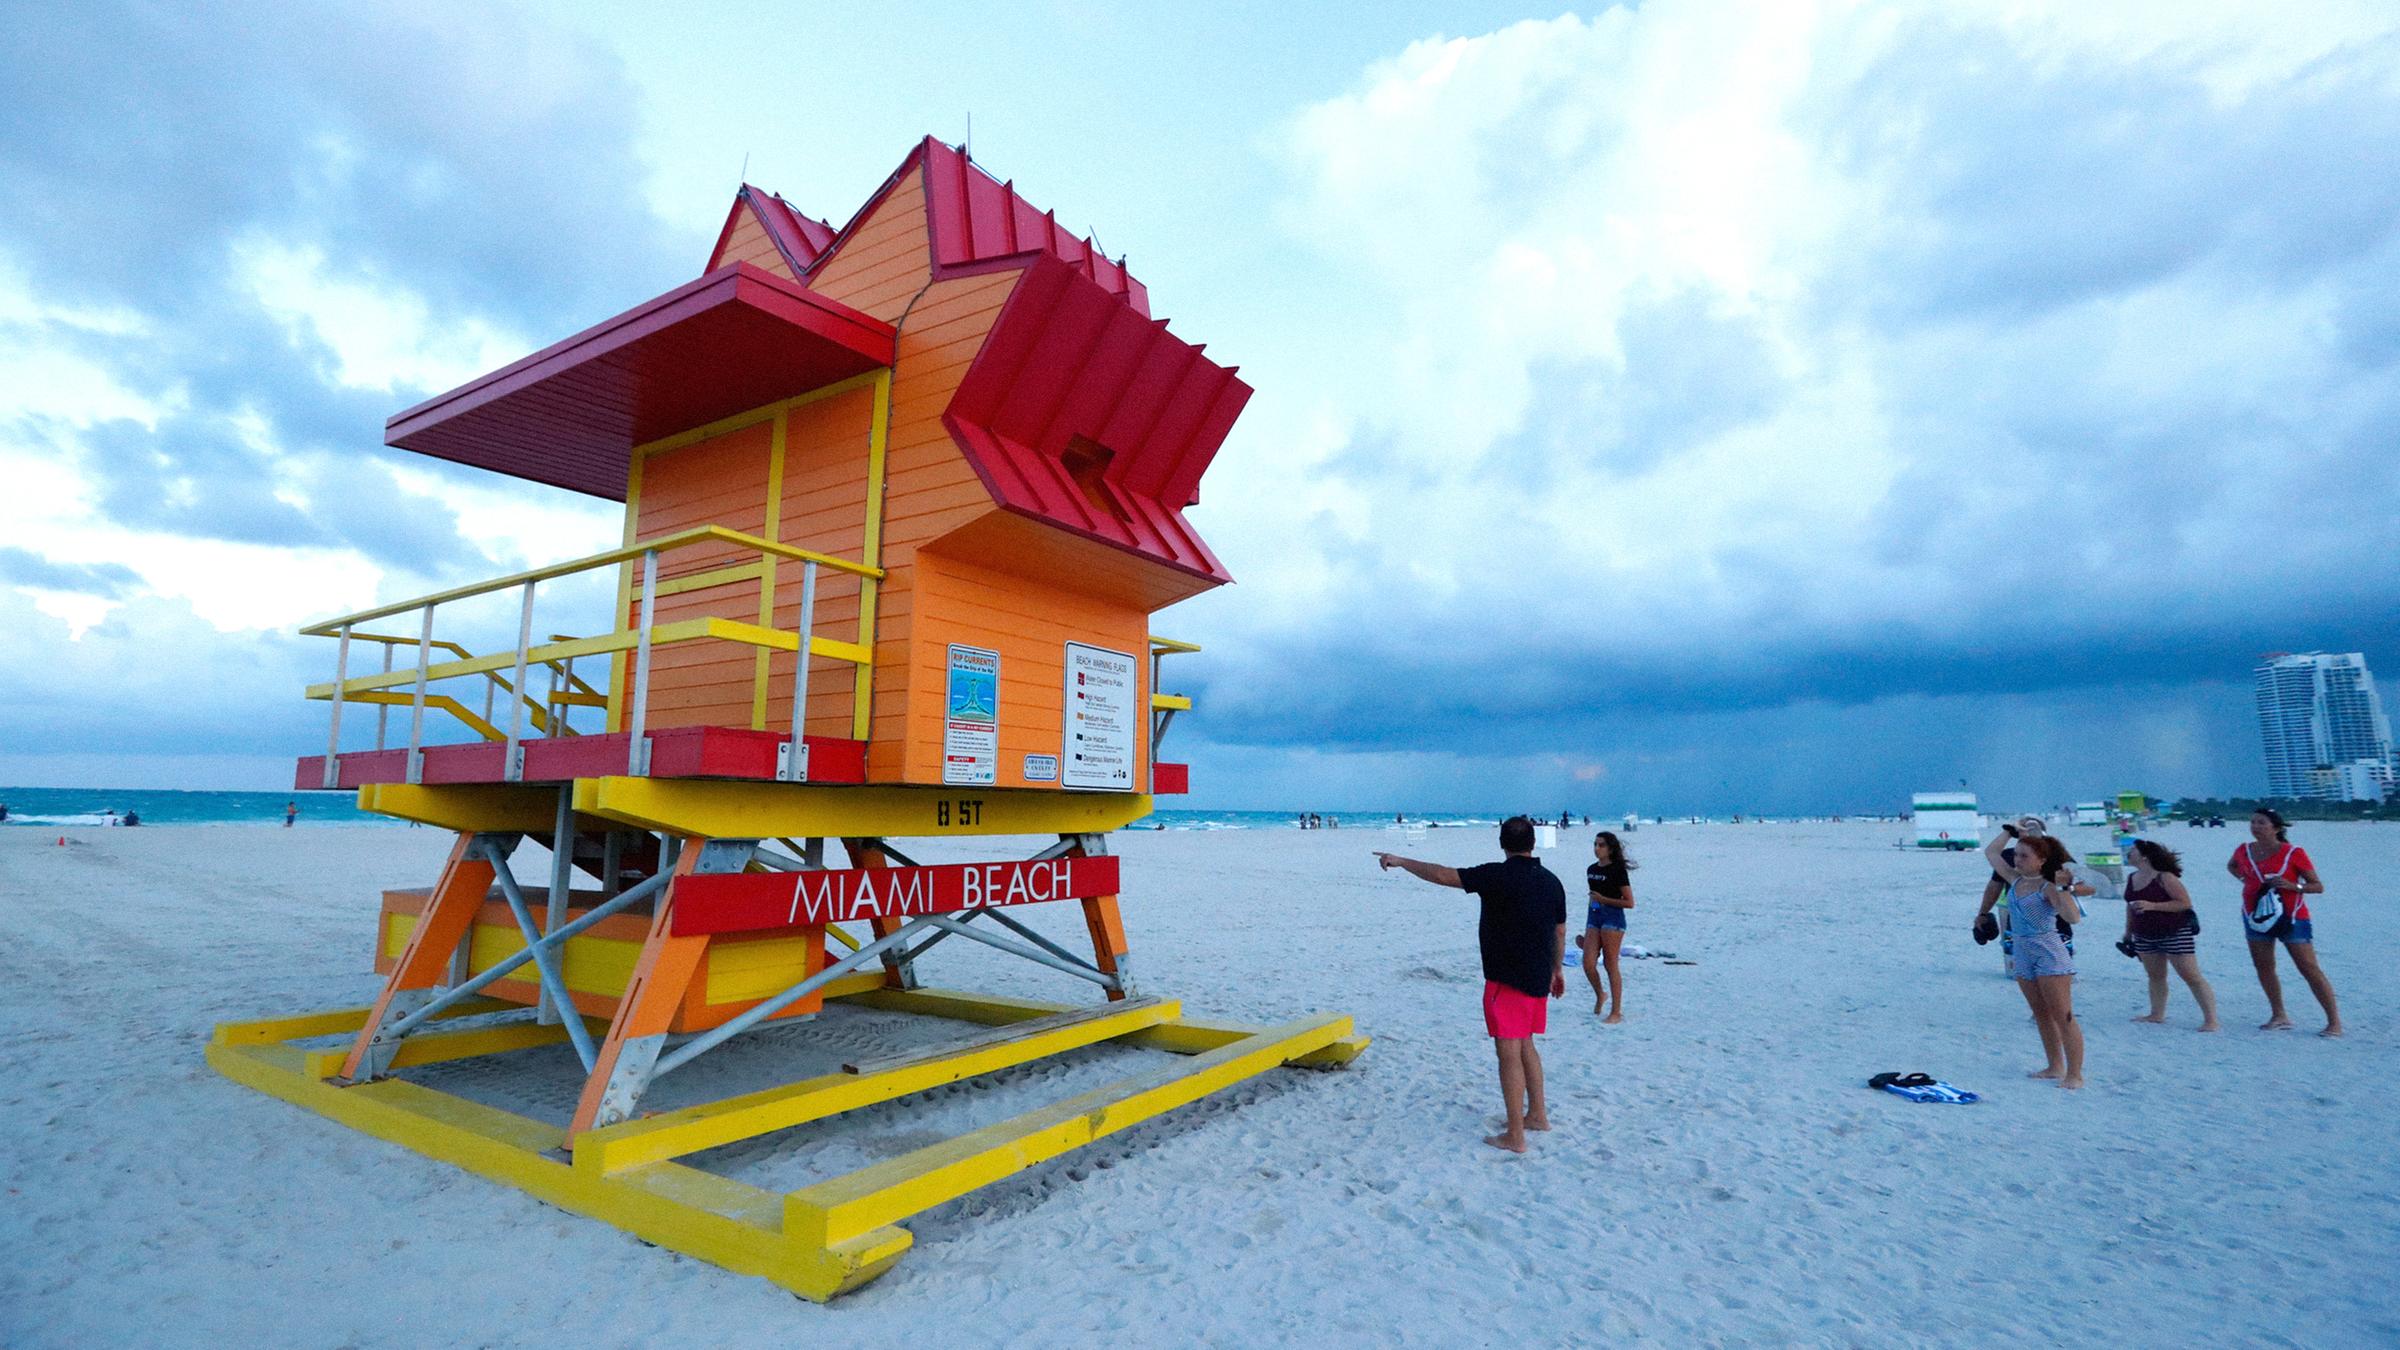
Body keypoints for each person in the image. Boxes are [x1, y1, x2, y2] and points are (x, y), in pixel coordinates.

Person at [1375, 817, 1567, 1153]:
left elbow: (1442, 875)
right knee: (1526, 1045)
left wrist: (1401, 860)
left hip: (1507, 978)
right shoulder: (1552, 882)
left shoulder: (1496, 875)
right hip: (1538, 975)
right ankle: (1536, 1115)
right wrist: (1557, 970)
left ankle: (1516, 1135)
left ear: (1502, 843)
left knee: (1508, 1051)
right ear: (1533, 843)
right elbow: (1559, 931)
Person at [1983, 826, 2086, 1089]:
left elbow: (2073, 918)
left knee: (2062, 1014)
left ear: (2041, 860)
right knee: (2040, 1013)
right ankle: (2054, 1066)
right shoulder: (2014, 879)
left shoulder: (2047, 886)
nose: (2017, 860)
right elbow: (1992, 852)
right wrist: (2009, 832)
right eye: (2016, 855)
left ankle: (2074, 1073)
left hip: (2048, 951)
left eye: (2024, 856)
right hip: (2022, 951)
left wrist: (2064, 889)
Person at [2226, 808, 2340, 1036]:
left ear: (2276, 828)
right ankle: (2279, 1014)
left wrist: (2293, 886)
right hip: (2255, 914)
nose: (2255, 826)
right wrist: (2247, 881)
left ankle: (2334, 1021)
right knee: (2264, 966)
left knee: (2308, 967)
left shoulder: (2292, 852)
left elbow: (2317, 886)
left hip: (2292, 916)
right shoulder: (2244, 850)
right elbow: (2232, 866)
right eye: (2253, 822)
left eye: (2261, 823)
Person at [2122, 840, 2218, 1032]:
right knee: (2155, 976)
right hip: (2144, 933)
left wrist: (2152, 905)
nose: (2128, 853)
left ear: (2144, 856)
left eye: (2132, 851)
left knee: (2191, 975)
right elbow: (2130, 907)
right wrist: (2128, 932)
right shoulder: (2132, 878)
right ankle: (2156, 1014)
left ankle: (2211, 1019)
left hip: (2174, 931)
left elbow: (2184, 903)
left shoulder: (2165, 878)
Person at [1580, 830, 1637, 1023]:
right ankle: (1600, 994)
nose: (1597, 849)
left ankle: (1616, 1011)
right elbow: (1592, 897)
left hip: (1613, 917)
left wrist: (1604, 900)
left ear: (1610, 848)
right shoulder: (1591, 869)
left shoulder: (1617, 871)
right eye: (1595, 844)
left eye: (1601, 845)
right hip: (1594, 916)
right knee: (1588, 963)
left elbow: (1629, 902)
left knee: (1610, 964)